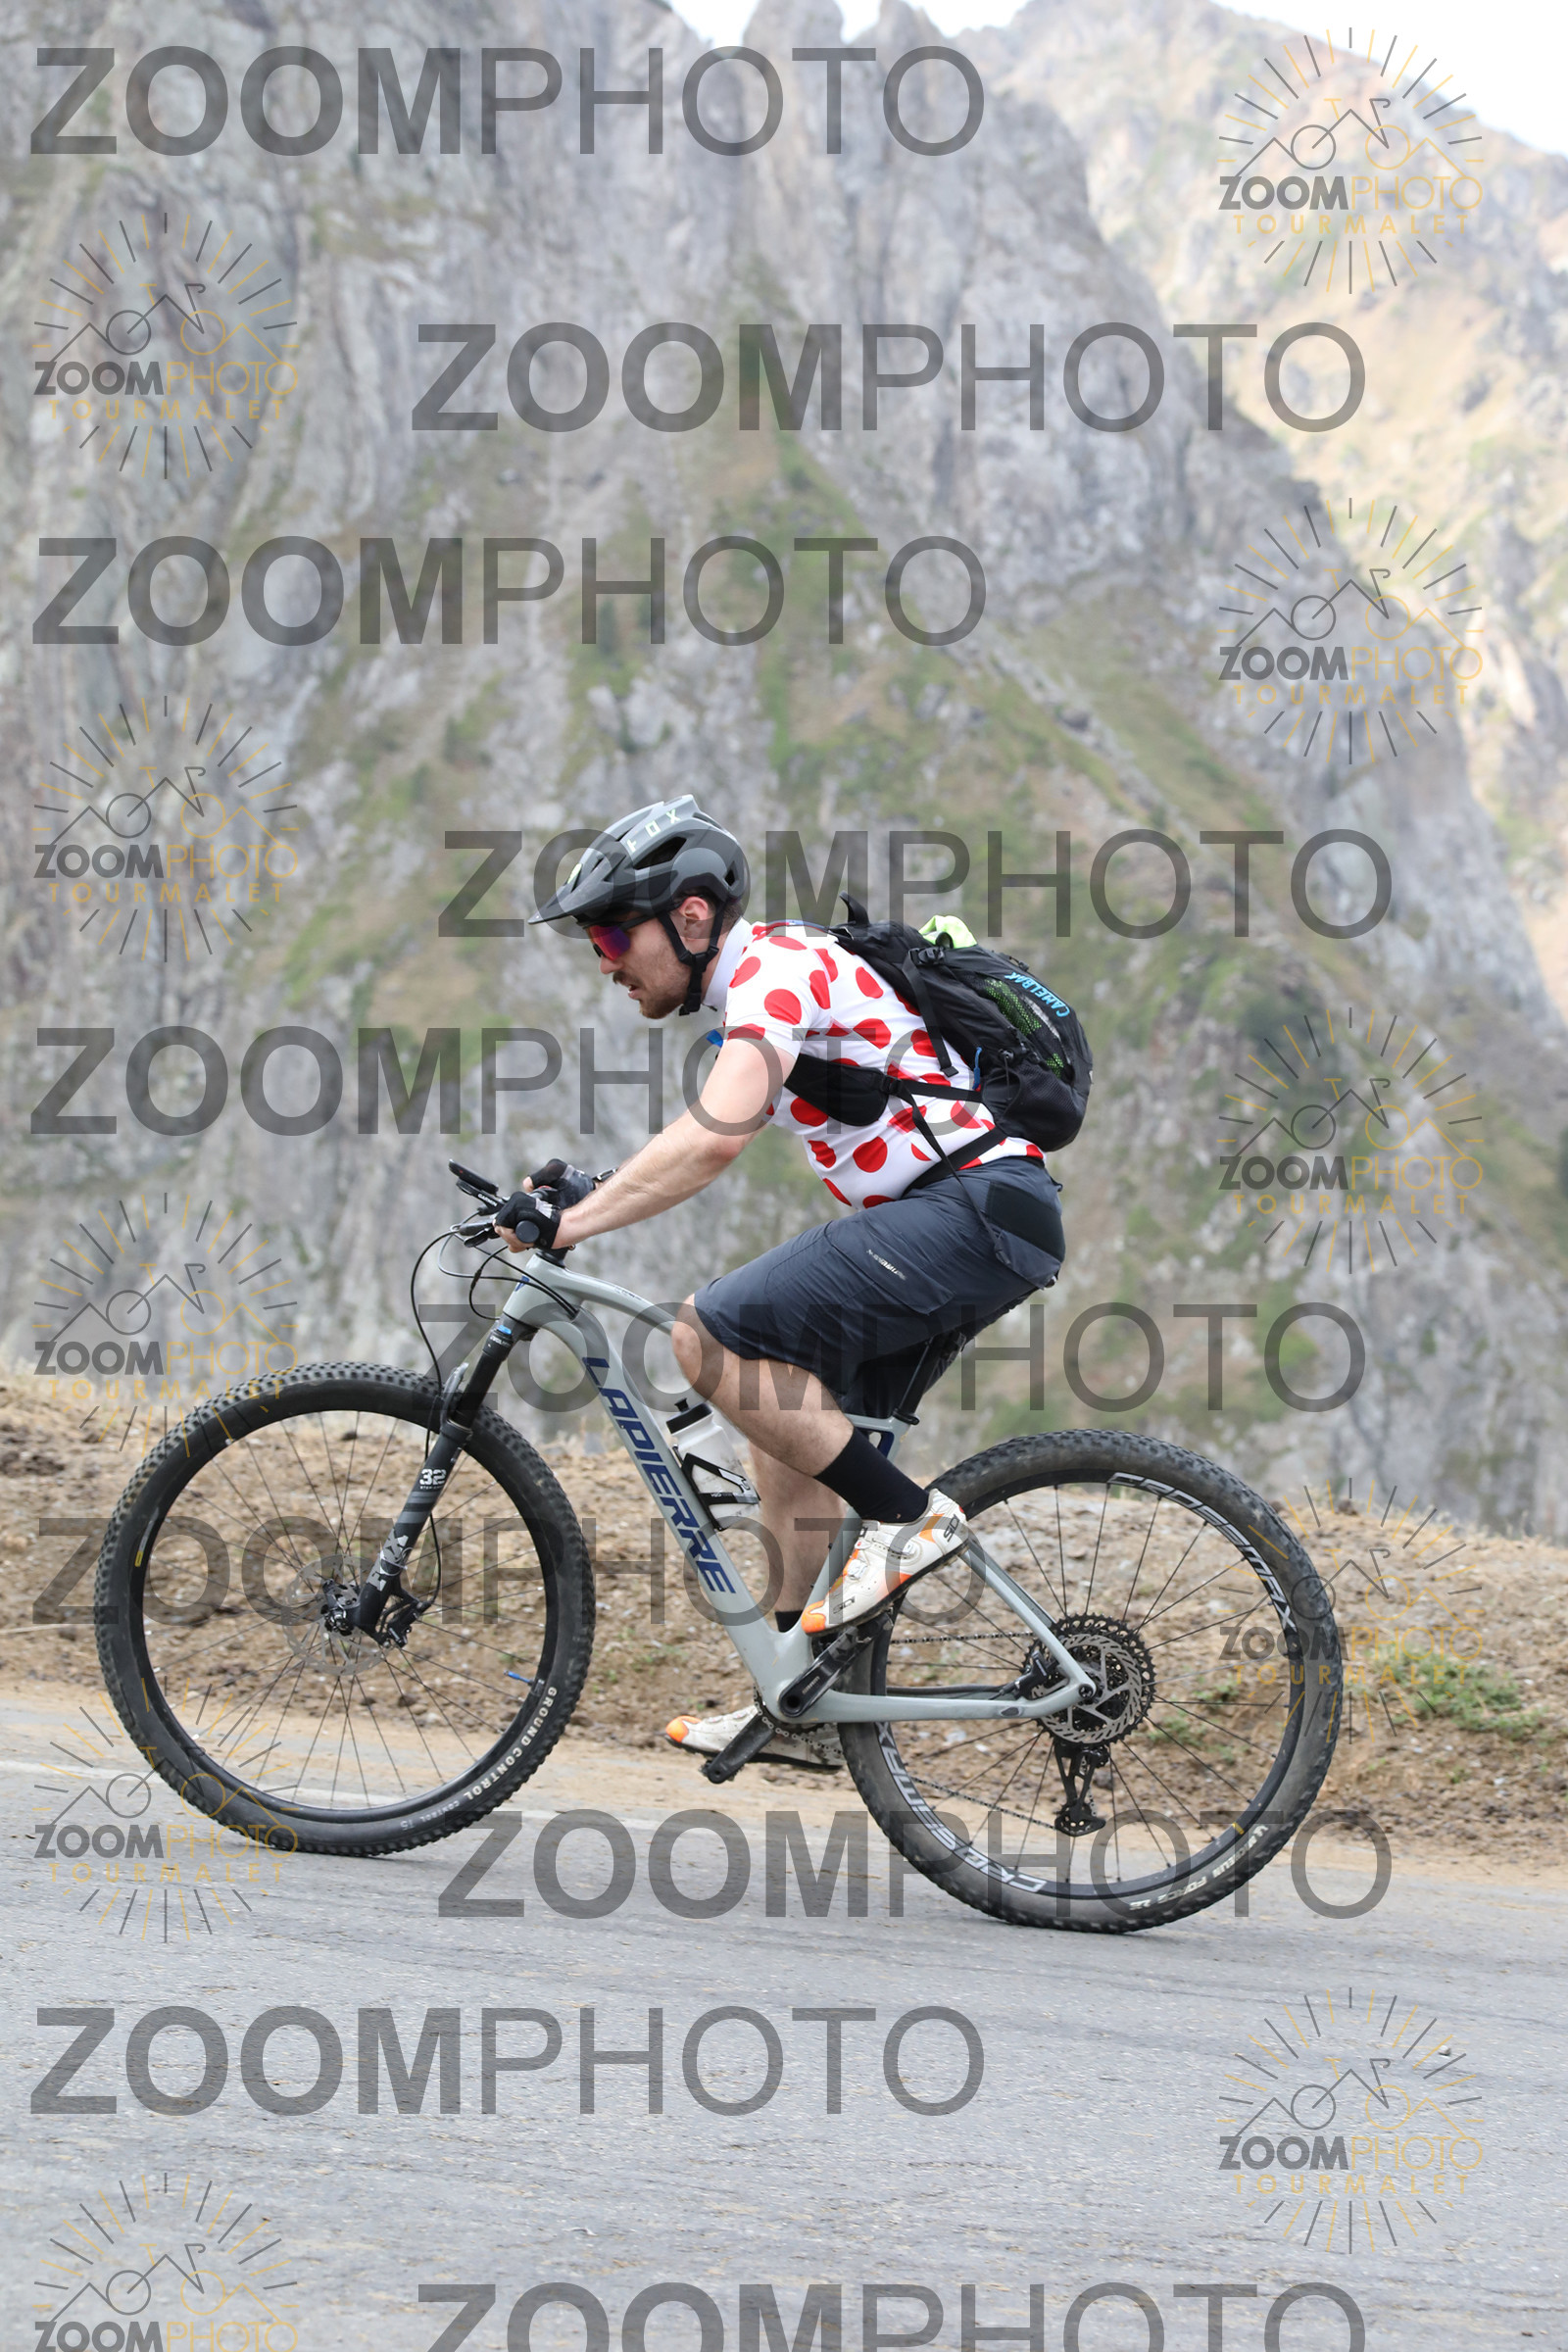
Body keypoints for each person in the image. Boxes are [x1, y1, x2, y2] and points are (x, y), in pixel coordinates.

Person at [498, 796, 1065, 1771]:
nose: (602, 961)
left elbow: (713, 1139)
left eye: (612, 935)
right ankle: (798, 1687)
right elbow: (718, 1123)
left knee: (708, 1334)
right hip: (970, 1220)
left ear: (689, 917)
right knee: (783, 1408)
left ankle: (911, 1521)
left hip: (973, 1210)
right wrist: (592, 1189)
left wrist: (572, 1225)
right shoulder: (764, 991)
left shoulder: (775, 971)